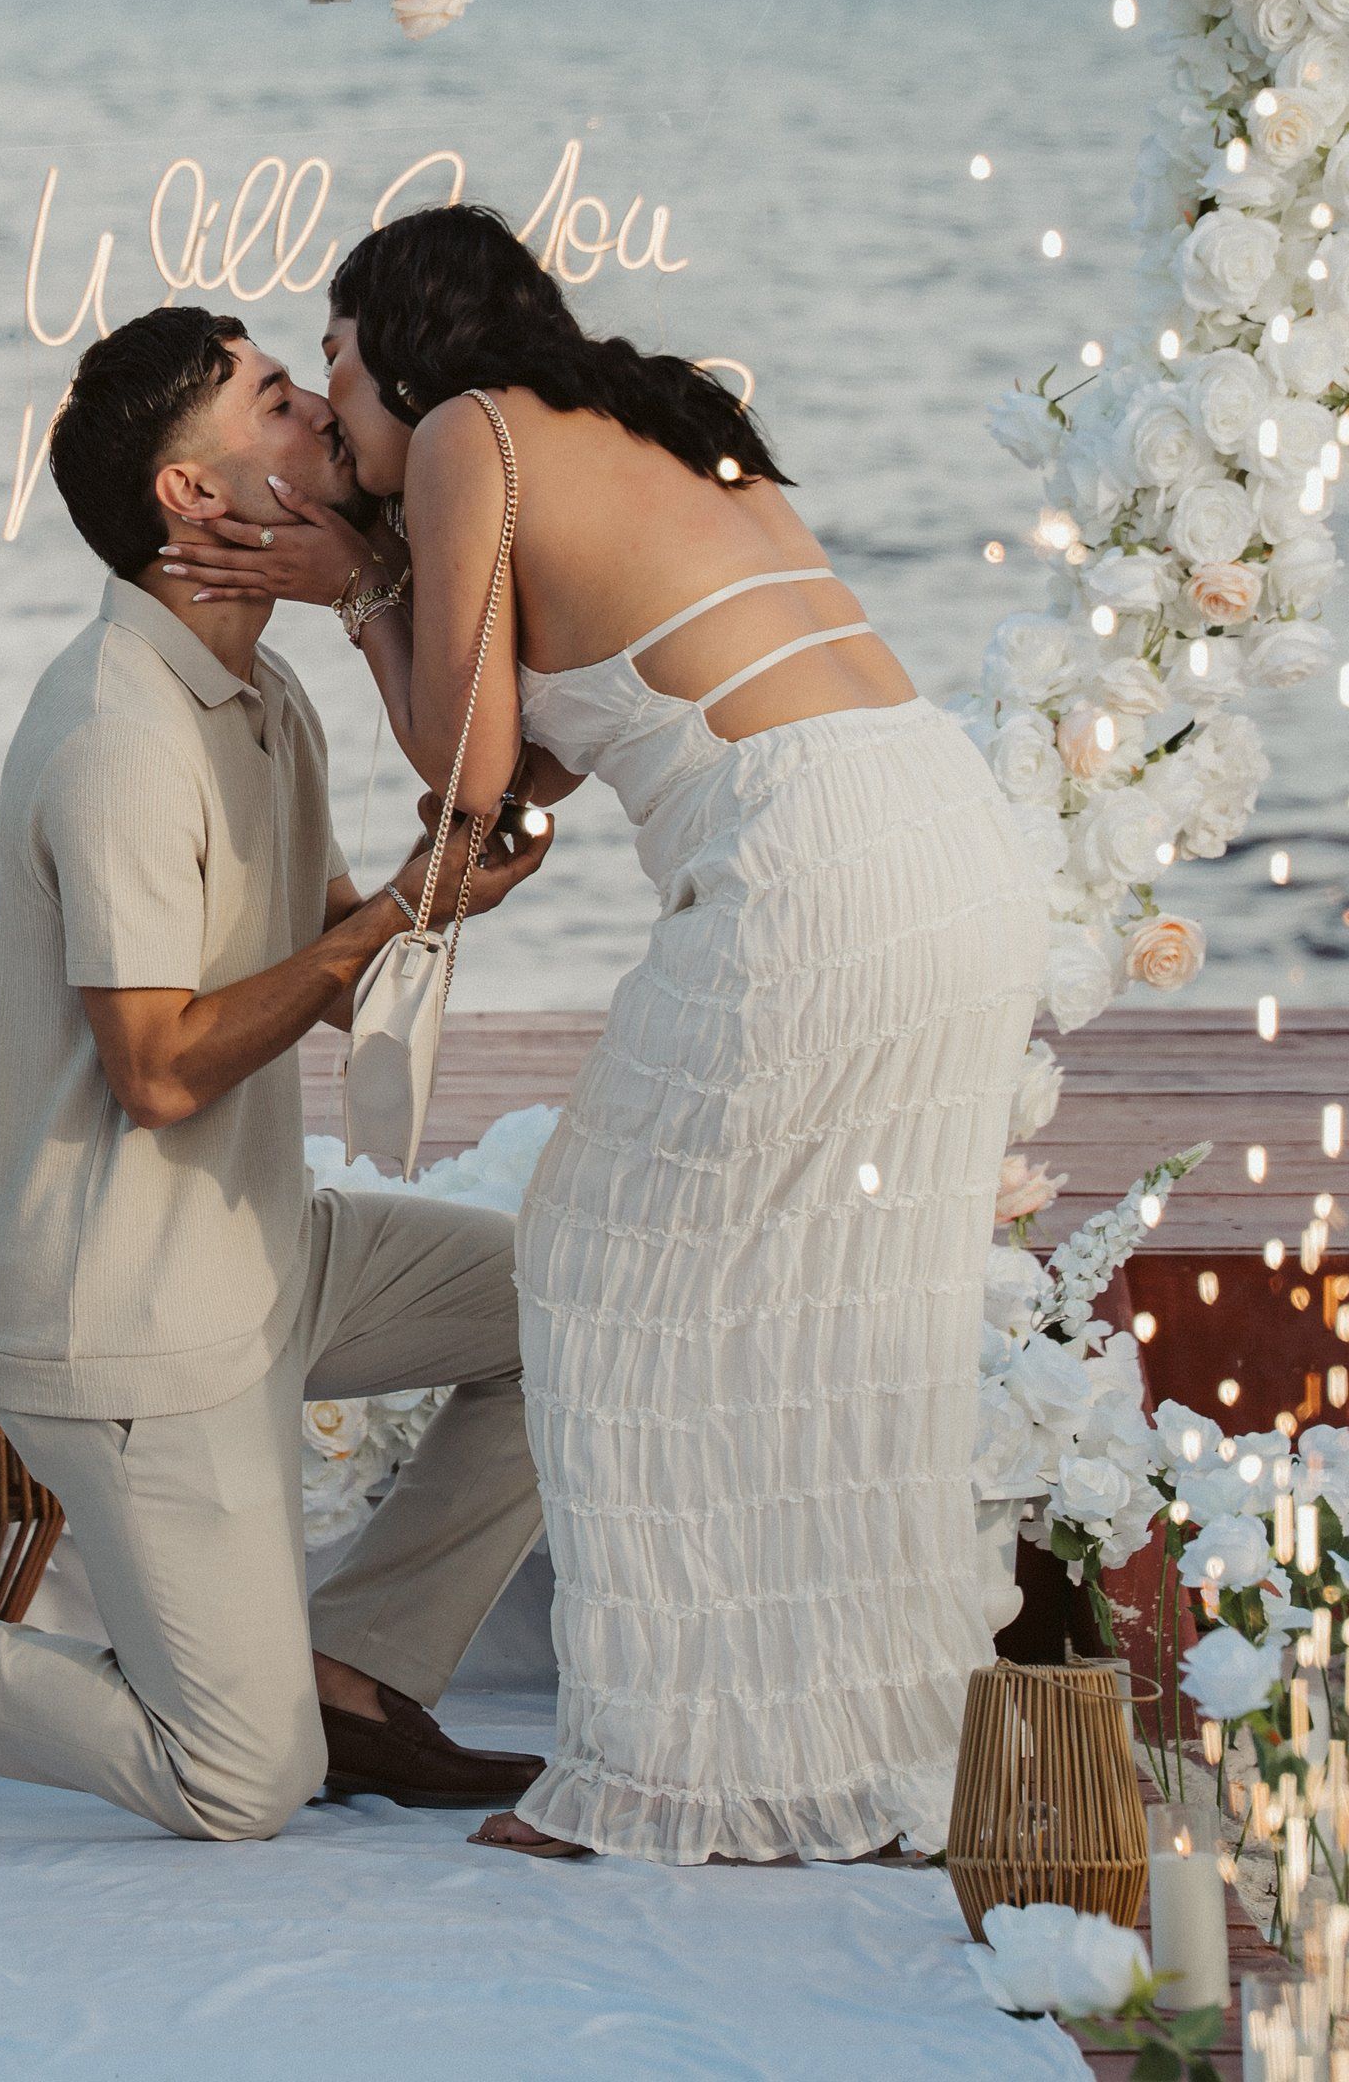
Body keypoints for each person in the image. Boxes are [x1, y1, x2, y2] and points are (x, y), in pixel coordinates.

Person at [157, 205, 1048, 1868]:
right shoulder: (647, 412)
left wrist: (357, 591)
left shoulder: (466, 437)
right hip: (945, 835)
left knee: (597, 1262)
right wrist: (394, 574)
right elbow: (560, 740)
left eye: (335, 369)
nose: (331, 413)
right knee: (853, 1309)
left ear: (403, 349)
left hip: (810, 863)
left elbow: (471, 772)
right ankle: (871, 1757)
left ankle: (669, 1775)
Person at [0, 302, 553, 1841]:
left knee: (572, 1306)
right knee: (235, 1784)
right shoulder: (118, 736)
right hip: (132, 1318)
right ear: (196, 498)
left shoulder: (264, 691)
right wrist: (380, 934)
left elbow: (326, 969)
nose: (322, 424)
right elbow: (158, 1070)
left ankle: (353, 1676)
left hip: (265, 1251)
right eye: (280, 401)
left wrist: (450, 883)